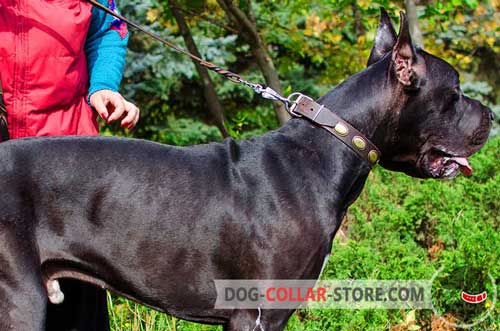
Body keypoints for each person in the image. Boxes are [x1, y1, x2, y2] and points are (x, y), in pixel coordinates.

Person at [0, 0, 138, 329]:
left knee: (76, 300)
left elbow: (108, 31)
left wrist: (103, 87)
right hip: (3, 145)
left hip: (65, 153)